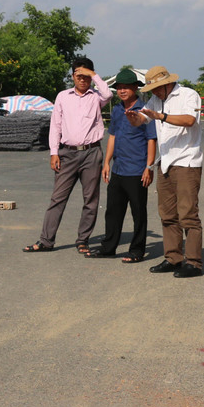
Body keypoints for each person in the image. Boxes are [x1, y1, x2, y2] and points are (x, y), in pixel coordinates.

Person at [23, 57, 112, 254]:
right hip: (67, 153)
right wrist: (54, 152)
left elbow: (108, 94)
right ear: (73, 76)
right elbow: (55, 125)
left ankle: (83, 240)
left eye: (86, 76)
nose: (83, 80)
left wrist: (93, 75)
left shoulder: (96, 97)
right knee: (58, 198)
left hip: (91, 153)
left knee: (90, 200)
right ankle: (46, 240)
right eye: (79, 76)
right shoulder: (63, 96)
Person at [124, 65, 203, 278]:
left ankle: (194, 262)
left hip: (187, 162)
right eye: (152, 90)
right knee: (167, 214)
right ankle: (173, 257)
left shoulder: (188, 95)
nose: (155, 93)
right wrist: (134, 119)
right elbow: (143, 119)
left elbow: (189, 120)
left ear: (168, 84)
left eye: (158, 88)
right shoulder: (155, 99)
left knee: (188, 214)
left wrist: (161, 116)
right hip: (165, 162)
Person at [85, 68, 156, 262]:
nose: (122, 91)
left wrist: (149, 168)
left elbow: (151, 140)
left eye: (126, 87)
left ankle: (137, 251)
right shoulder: (117, 110)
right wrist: (107, 163)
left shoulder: (144, 111)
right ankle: (108, 248)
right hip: (118, 169)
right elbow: (113, 136)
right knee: (113, 212)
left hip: (137, 170)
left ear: (135, 88)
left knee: (138, 213)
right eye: (119, 88)